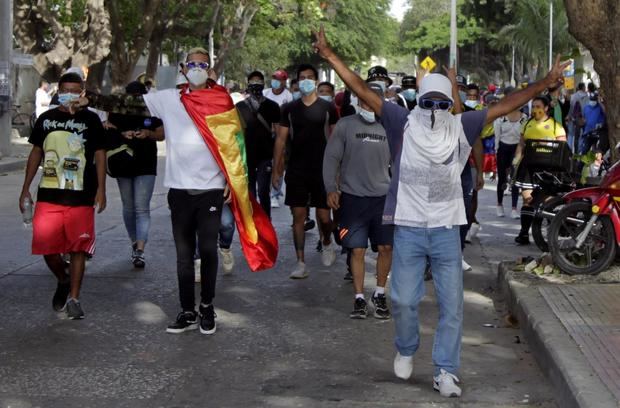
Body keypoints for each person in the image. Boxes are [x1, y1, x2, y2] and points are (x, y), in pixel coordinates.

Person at [313, 25, 568, 397]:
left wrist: (546, 81)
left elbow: (508, 104)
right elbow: (361, 89)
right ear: (419, 102)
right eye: (427, 102)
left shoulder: (463, 125)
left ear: (450, 104)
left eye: (441, 103)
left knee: (452, 305)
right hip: (410, 229)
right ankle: (406, 347)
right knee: (401, 298)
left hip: (448, 231)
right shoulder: (401, 122)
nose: (433, 110)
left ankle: (445, 370)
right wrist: (331, 55)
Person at [19, 72, 107, 319]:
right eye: (65, 89)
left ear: (82, 93)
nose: (69, 94)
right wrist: (25, 188)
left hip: (81, 195)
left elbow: (100, 155)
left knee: (78, 248)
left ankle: (74, 298)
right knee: (47, 247)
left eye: (74, 90)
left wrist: (102, 189)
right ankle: (63, 278)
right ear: (58, 90)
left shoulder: (91, 120)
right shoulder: (46, 119)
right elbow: (36, 152)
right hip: (49, 194)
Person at [323, 82, 393, 320]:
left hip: (383, 199)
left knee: (386, 247)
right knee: (358, 250)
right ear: (357, 99)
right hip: (352, 198)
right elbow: (331, 158)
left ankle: (380, 293)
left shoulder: (391, 126)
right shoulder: (345, 125)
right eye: (364, 98)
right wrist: (331, 188)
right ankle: (360, 298)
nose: (368, 103)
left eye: (374, 98)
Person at [272, 63, 339, 279]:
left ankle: (327, 241)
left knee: (324, 217)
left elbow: (336, 139)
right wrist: (277, 169)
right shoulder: (289, 109)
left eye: (310, 77)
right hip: (297, 170)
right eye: (302, 77)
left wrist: (338, 170)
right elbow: (281, 140)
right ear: (297, 81)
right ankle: (300, 262)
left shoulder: (328, 108)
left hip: (323, 170)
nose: (306, 80)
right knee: (298, 216)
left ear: (317, 81)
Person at [107, 81, 164, 268]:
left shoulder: (152, 110)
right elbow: (108, 129)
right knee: (128, 206)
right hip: (123, 163)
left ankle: (140, 249)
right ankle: (134, 241)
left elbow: (161, 134)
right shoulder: (117, 111)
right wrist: (124, 134)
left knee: (142, 207)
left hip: (146, 163)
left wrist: (148, 133)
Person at [513, 95, 567, 245]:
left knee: (548, 202)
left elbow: (563, 148)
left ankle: (552, 234)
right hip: (529, 167)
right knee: (527, 199)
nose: (535, 110)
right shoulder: (527, 124)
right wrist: (515, 161)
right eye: (533, 106)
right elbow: (521, 144)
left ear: (546, 108)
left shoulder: (556, 126)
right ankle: (524, 233)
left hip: (549, 169)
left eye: (538, 106)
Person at [235, 70, 280, 217]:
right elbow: (236, 133)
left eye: (259, 82)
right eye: (252, 82)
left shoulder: (272, 106)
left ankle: (266, 222)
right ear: (248, 84)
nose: (256, 85)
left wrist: (278, 161)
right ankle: (253, 223)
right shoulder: (240, 107)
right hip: (247, 156)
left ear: (263, 84)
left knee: (263, 191)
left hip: (265, 156)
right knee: (250, 193)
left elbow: (279, 134)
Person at [494, 87, 526, 218]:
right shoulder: (500, 117)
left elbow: (524, 137)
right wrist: (497, 152)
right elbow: (497, 136)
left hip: (517, 149)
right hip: (503, 149)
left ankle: (514, 208)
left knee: (515, 178)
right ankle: (499, 204)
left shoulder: (524, 118)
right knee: (502, 178)